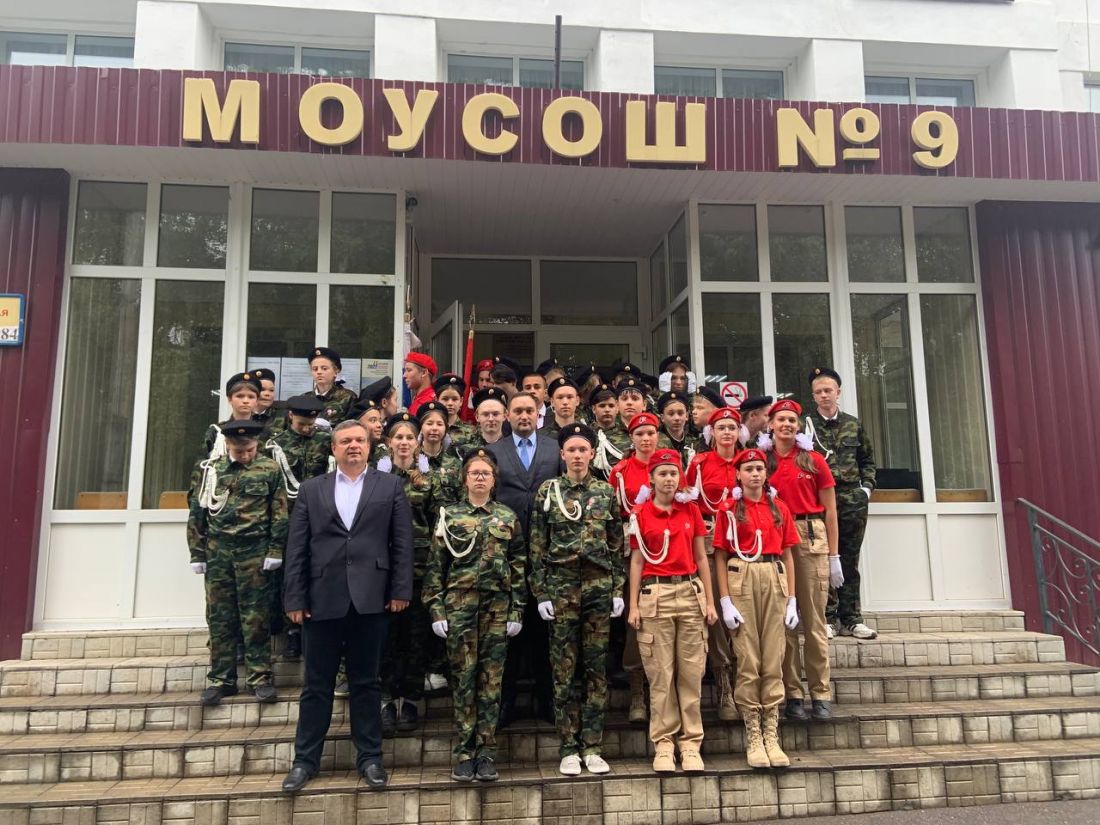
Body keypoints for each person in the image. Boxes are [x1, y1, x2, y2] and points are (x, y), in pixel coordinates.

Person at [280, 420, 413, 794]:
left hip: (372, 599)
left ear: (369, 446)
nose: (353, 445)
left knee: (367, 683)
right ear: (334, 448)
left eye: (359, 440)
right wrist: (295, 597)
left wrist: (400, 589)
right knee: (316, 685)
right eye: (345, 441)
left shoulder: (390, 486)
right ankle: (304, 761)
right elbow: (297, 547)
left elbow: (402, 543)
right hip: (322, 599)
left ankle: (370, 758)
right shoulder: (311, 489)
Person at [423, 448, 526, 782]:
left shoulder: (507, 517)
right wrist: (437, 609)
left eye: (486, 473)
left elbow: (519, 565)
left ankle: (486, 753)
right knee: (464, 679)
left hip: (497, 608)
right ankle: (465, 753)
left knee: (491, 681)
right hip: (460, 607)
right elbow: (436, 567)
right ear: (464, 479)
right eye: (474, 473)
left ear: (494, 480)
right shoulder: (449, 516)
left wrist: (517, 609)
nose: (480, 478)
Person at [529, 424, 625, 777]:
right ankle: (569, 746)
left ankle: (593, 745)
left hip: (598, 587)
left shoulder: (605, 491)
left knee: (596, 668)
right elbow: (537, 544)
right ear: (562, 454)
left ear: (591, 454)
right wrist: (541, 592)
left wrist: (617, 590)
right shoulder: (549, 491)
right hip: (561, 587)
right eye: (572, 449)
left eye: (583, 449)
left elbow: (616, 543)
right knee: (564, 669)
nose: (578, 455)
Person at [626, 448, 716, 773]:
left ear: (680, 477)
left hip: (689, 592)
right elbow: (637, 561)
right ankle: (664, 743)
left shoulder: (690, 510)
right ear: (651, 478)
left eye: (673, 473)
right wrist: (633, 605)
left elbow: (702, 557)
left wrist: (709, 601)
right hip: (656, 595)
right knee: (660, 675)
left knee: (691, 674)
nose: (668, 479)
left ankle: (690, 743)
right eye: (662, 473)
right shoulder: (641, 513)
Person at [187, 419, 287, 706]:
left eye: (250, 450)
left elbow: (279, 512)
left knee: (256, 617)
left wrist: (275, 549)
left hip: (254, 551)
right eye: (240, 451)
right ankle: (221, 679)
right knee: (220, 618)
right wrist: (197, 553)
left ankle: (260, 678)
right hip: (219, 552)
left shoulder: (269, 469)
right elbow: (198, 513)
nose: (245, 455)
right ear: (228, 445)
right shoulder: (211, 470)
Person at [712, 448, 800, 769]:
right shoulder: (728, 510)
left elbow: (788, 553)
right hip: (743, 575)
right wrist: (725, 600)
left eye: (759, 469)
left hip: (773, 574)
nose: (755, 474)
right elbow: (720, 555)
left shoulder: (779, 507)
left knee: (773, 656)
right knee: (748, 656)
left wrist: (792, 598)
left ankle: (771, 733)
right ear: (738, 474)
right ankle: (753, 732)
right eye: (748, 469)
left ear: (766, 473)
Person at [764, 399, 842, 722]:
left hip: (810, 535)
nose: (786, 425)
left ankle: (820, 692)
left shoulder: (813, 460)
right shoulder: (763, 461)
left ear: (798, 426)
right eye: (780, 419)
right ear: (770, 424)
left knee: (813, 621)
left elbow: (831, 511)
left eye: (792, 420)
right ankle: (793, 693)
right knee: (784, 621)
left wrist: (834, 555)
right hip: (775, 537)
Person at [486, 391, 561, 724]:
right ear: (507, 415)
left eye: (529, 410)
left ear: (538, 413)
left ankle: (547, 701)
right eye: (517, 410)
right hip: (507, 553)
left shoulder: (553, 448)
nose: (524, 416)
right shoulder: (493, 451)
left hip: (548, 554)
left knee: (546, 632)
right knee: (507, 633)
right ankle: (506, 702)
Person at [375, 412, 439, 735]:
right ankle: (387, 699)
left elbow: (438, 524)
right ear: (389, 443)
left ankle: (411, 699)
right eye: (398, 437)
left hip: (420, 568)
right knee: (386, 638)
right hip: (383, 570)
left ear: (418, 443)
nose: (404, 442)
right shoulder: (376, 479)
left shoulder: (429, 480)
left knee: (416, 637)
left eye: (409, 438)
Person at [804, 367, 878, 640]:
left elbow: (867, 461)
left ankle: (852, 619)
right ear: (813, 396)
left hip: (851, 501)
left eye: (828, 390)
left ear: (839, 392)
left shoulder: (853, 424)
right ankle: (828, 618)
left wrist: (866, 489)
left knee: (849, 559)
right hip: (819, 501)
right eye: (819, 392)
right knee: (823, 559)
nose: (824, 395)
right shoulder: (805, 426)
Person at [683, 406, 743, 722]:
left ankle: (746, 681)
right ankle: (723, 683)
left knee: (745, 607)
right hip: (709, 538)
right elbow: (689, 503)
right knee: (718, 610)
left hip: (745, 540)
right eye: (721, 428)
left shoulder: (749, 462)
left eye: (732, 427)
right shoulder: (700, 463)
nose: (727, 433)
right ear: (712, 433)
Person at [265, 394, 332, 659]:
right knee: (290, 573)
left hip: (321, 516)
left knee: (318, 571)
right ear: (291, 416)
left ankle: (314, 625)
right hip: (289, 517)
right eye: (302, 424)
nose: (306, 429)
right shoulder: (276, 445)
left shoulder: (324, 441)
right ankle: (292, 631)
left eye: (310, 424)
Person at [608, 411, 662, 723]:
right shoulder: (621, 471)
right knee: (635, 619)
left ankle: (661, 689)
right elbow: (614, 515)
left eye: (650, 433)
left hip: (665, 550)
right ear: (631, 438)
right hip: (632, 552)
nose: (645, 439)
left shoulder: (668, 467)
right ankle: (637, 689)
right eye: (639, 434)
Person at [308, 347, 357, 425]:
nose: (319, 372)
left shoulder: (348, 397)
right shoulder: (305, 399)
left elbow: (353, 427)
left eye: (324, 368)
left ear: (336, 371)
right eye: (315, 369)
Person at [434, 373, 477, 449]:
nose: (450, 403)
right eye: (445, 399)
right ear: (436, 400)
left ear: (461, 401)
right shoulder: (431, 429)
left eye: (454, 399)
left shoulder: (471, 432)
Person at [656, 391, 695, 467]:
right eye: (671, 414)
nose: (676, 418)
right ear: (662, 417)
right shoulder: (656, 443)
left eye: (680, 413)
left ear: (687, 416)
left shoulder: (695, 443)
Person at [539, 376, 582, 441]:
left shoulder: (586, 434)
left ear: (577, 401)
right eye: (560, 397)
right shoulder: (541, 436)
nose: (565, 402)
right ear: (552, 402)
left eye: (569, 397)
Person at [250, 368, 280, 433]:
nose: (267, 394)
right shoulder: (243, 415)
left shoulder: (282, 417)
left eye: (271, 390)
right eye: (262, 390)